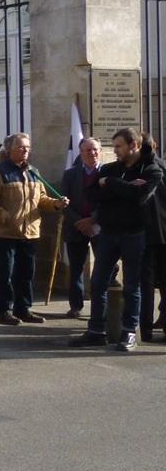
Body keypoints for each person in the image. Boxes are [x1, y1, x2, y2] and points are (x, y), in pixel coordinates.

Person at [71, 128, 162, 351]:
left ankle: (129, 332)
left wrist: (110, 184)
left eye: (119, 146)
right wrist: (124, 188)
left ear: (134, 145)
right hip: (109, 234)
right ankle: (96, 331)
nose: (115, 151)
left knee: (131, 285)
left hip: (134, 234)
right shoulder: (110, 168)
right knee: (98, 283)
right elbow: (92, 194)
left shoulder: (151, 170)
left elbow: (139, 197)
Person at [0, 132, 69, 325]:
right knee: (6, 273)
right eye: (21, 147)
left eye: (27, 147)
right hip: (6, 233)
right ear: (10, 150)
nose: (25, 150)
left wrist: (56, 204)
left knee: (26, 273)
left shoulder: (33, 172)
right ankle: (3, 310)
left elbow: (41, 199)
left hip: (30, 232)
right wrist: (4, 216)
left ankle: (23, 308)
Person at [60, 136, 105, 319]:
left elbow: (112, 202)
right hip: (76, 226)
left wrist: (94, 220)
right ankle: (75, 306)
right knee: (76, 269)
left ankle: (101, 307)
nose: (92, 153)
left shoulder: (108, 173)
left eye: (95, 149)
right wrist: (80, 222)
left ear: (100, 151)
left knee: (104, 268)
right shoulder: (70, 174)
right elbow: (64, 203)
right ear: (81, 152)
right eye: (87, 150)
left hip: (101, 227)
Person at [142, 134, 166, 342]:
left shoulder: (143, 169)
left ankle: (146, 328)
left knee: (146, 283)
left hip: (147, 232)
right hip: (162, 231)